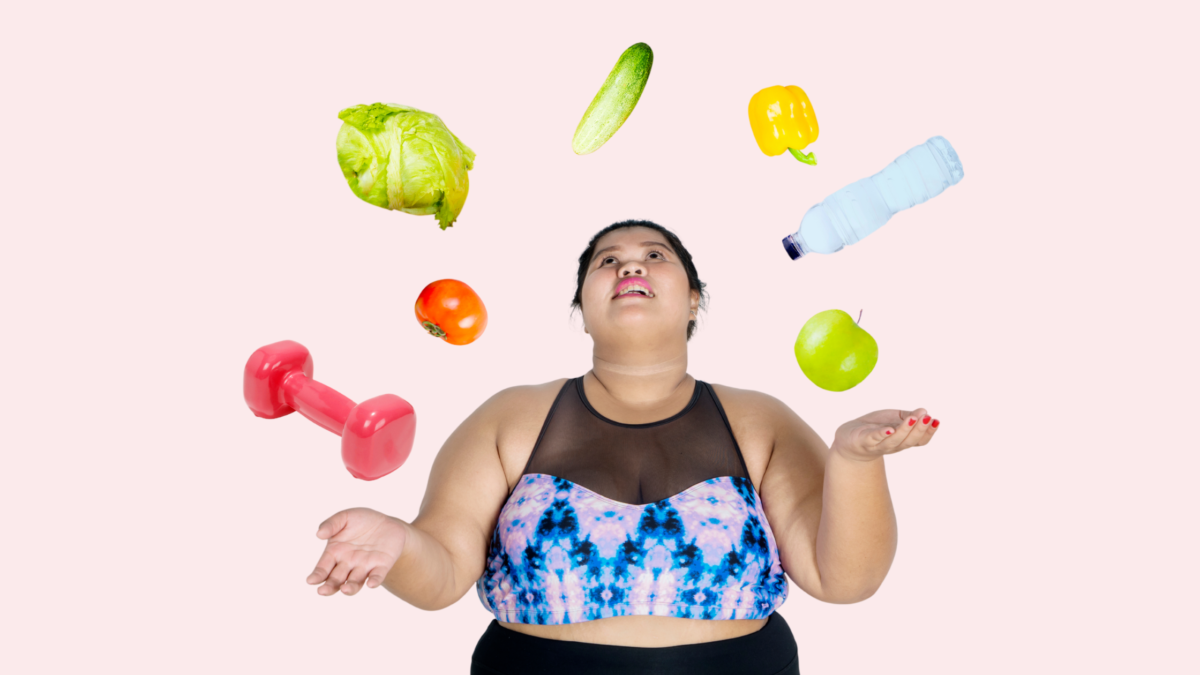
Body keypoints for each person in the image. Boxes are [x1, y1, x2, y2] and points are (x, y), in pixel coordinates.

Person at [305, 220, 941, 675]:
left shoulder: (762, 420)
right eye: (606, 261)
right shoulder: (509, 415)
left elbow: (844, 579)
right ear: (581, 304)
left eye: (655, 255)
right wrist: (398, 544)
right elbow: (442, 571)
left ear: (694, 299)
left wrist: (856, 461)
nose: (629, 265)